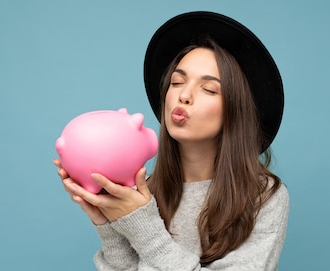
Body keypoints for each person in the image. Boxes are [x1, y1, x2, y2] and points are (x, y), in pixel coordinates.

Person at [53, 11, 289, 270]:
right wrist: (107, 223)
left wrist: (144, 225)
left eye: (209, 89)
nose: (184, 95)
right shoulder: (146, 193)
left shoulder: (264, 197)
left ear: (235, 110)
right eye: (177, 82)